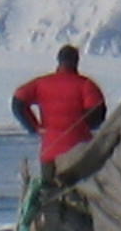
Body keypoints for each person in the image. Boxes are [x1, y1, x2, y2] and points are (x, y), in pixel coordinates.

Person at [12, 43, 108, 172]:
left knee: (50, 184)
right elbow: (97, 115)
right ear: (77, 61)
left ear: (59, 60)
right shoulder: (86, 85)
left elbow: (18, 103)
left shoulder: (42, 83)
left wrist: (34, 127)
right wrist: (83, 128)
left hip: (50, 151)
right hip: (80, 152)